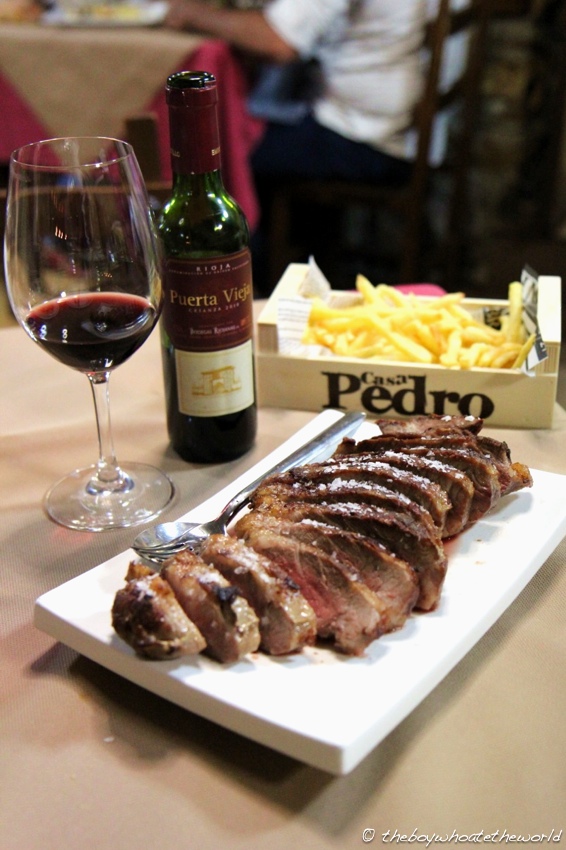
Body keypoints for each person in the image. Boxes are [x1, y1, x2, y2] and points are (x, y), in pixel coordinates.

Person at [162, 0, 445, 290]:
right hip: (394, 126)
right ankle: (272, 273)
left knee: (226, 153)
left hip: (362, 134)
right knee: (242, 133)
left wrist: (188, 12)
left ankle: (238, 286)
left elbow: (279, 40)